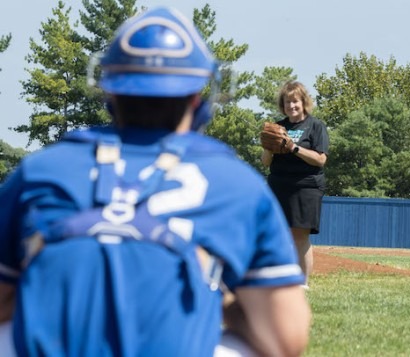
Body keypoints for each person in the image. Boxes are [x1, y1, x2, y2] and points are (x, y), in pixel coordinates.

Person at [0, 6, 311, 357]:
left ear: (110, 93)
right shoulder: (235, 182)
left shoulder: (42, 169)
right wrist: (222, 301)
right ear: (197, 99)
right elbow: (287, 338)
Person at [261, 81, 329, 288]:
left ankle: (303, 283)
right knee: (280, 234)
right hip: (279, 184)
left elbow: (320, 159)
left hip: (305, 186)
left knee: (300, 235)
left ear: (303, 102)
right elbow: (266, 162)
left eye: (295, 101)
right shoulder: (278, 126)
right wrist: (268, 146)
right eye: (287, 102)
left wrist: (293, 147)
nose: (291, 106)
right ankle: (282, 279)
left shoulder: (315, 126)